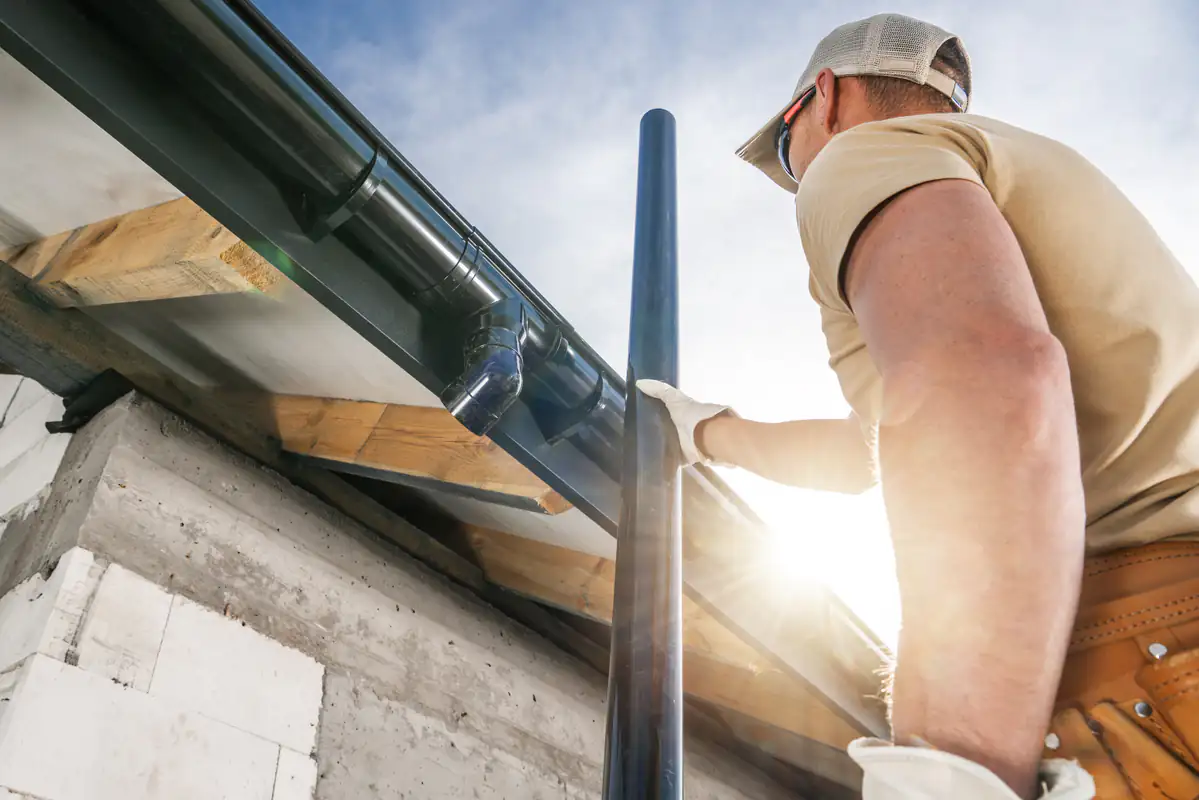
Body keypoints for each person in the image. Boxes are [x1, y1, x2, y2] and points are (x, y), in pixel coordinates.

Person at [639, 12, 1199, 800]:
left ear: (822, 100)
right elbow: (891, 441)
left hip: (1149, 655)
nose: (796, 174)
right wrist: (707, 433)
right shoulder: (1012, 169)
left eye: (784, 151)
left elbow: (987, 384)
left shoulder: (859, 157)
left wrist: (950, 770)